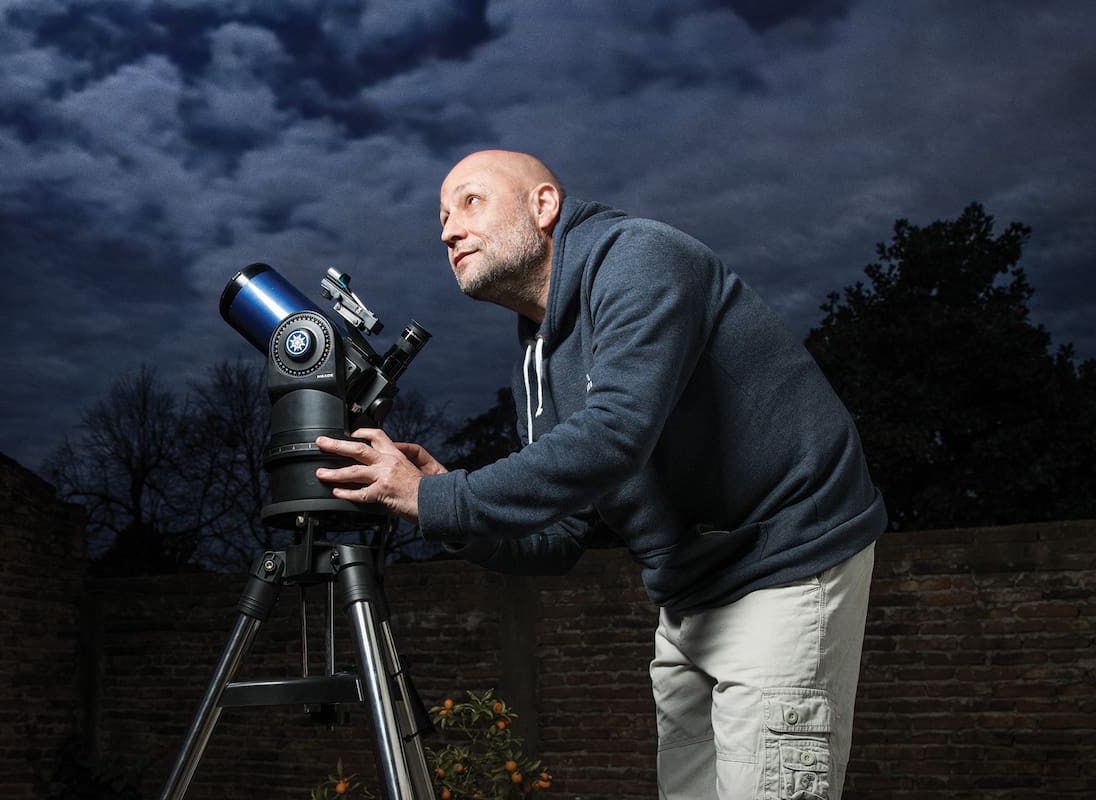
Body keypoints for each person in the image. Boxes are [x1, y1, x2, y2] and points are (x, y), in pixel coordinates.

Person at [315, 150, 886, 799]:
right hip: (687, 596)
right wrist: (433, 506)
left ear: (544, 205)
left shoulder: (637, 258)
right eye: (441, 217)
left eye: (470, 202)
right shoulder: (535, 360)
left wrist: (442, 496)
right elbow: (558, 539)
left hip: (785, 560)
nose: (448, 230)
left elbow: (615, 437)